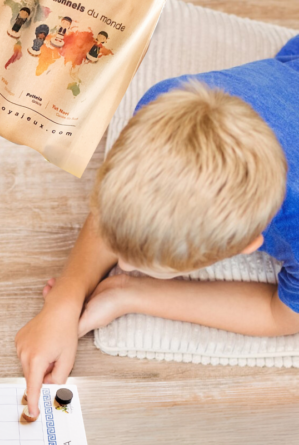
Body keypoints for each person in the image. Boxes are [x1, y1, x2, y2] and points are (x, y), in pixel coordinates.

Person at [17, 35, 299, 418]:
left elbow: (282, 316)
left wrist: (135, 293)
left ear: (247, 244)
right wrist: (65, 299)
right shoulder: (164, 100)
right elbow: (116, 208)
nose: (124, 265)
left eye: (143, 266)